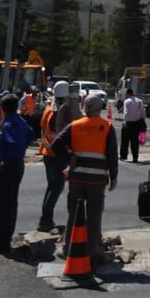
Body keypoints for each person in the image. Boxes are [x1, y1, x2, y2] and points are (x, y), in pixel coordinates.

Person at [51, 94, 118, 268]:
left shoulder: (75, 126)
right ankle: (93, 251)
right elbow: (112, 155)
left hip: (77, 177)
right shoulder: (107, 127)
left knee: (74, 213)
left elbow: (55, 145)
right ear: (100, 109)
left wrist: (69, 157)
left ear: (85, 108)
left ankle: (69, 248)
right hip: (97, 179)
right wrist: (114, 177)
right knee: (94, 214)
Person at [0, 93, 32, 256]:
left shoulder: (9, 124)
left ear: (3, 108)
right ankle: (2, 239)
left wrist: (3, 160)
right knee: (9, 204)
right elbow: (30, 134)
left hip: (10, 167)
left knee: (4, 205)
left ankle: (4, 243)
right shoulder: (19, 121)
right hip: (17, 165)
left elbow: (11, 144)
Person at [37, 80, 73, 232]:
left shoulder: (48, 109)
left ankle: (46, 219)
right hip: (58, 155)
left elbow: (42, 127)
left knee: (51, 186)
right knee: (56, 188)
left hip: (47, 153)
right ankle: (45, 221)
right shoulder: (63, 112)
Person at [120, 88, 147, 164]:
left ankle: (123, 156)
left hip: (128, 123)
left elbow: (126, 112)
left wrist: (124, 122)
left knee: (125, 141)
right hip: (137, 124)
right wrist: (143, 122)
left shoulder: (127, 101)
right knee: (135, 142)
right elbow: (143, 113)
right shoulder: (139, 101)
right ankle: (135, 157)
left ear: (128, 94)